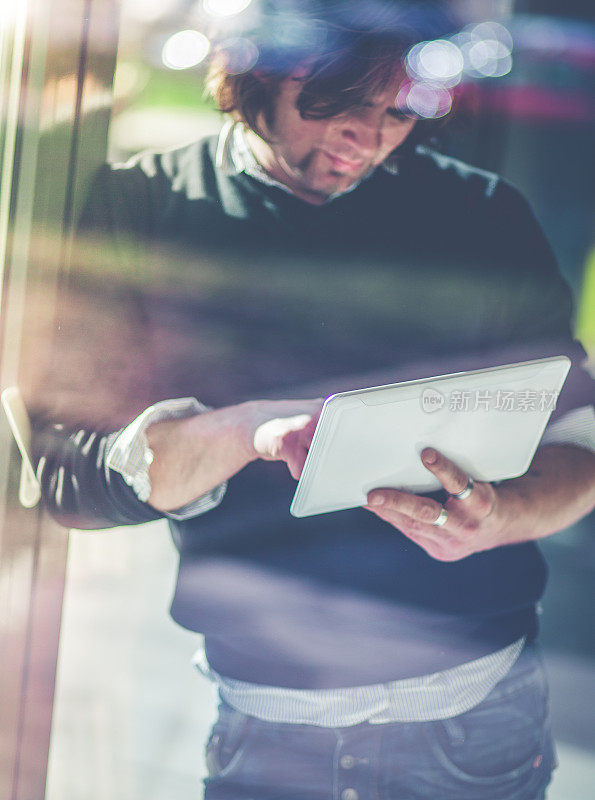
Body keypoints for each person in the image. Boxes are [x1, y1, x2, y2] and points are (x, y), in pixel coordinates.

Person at [30, 2, 595, 798]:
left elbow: (580, 433)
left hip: (480, 717)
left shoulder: (485, 214)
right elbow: (71, 479)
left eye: (397, 111)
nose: (362, 140)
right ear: (252, 72)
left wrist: (510, 513)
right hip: (268, 730)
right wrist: (249, 432)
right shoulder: (144, 206)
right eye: (332, 104)